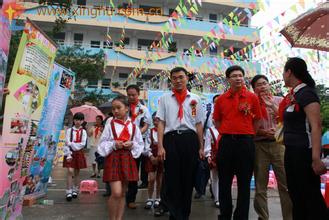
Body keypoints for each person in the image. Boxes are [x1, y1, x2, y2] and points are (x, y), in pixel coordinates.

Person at [279, 57, 328, 220]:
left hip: (304, 153)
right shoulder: (294, 94)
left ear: (289, 72)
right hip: (291, 152)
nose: (283, 75)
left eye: (284, 71)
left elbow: (316, 126)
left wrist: (315, 158)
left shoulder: (307, 93)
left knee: (309, 196)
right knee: (296, 195)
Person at [213, 65, 262, 220]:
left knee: (244, 183)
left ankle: (241, 216)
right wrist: (228, 132)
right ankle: (225, 214)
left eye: (240, 75)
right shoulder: (221, 99)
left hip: (246, 143)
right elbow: (217, 121)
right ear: (228, 79)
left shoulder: (252, 97)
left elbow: (258, 120)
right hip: (227, 143)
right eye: (234, 76)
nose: (238, 78)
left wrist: (247, 134)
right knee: (224, 182)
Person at [157, 66, 205, 220]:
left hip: (190, 140)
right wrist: (160, 146)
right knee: (172, 178)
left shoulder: (195, 99)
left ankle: (184, 214)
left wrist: (201, 147)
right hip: (171, 140)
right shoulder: (165, 98)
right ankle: (174, 213)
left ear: (186, 78)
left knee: (188, 179)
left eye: (181, 77)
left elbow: (198, 124)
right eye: (174, 78)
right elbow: (161, 123)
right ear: (171, 80)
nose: (178, 80)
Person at [251, 75, 292, 220]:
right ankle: (263, 217)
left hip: (278, 145)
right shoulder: (251, 103)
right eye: (258, 85)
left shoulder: (280, 101)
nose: (262, 87)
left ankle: (289, 216)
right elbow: (248, 126)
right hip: (259, 145)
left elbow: (287, 120)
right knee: (260, 186)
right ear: (254, 88)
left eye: (264, 83)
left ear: (269, 85)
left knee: (285, 184)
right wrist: (262, 131)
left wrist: (272, 106)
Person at [97, 96, 144, 220]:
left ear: (127, 108)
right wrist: (113, 144)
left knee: (123, 193)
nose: (115, 111)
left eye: (118, 108)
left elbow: (140, 144)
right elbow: (101, 144)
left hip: (127, 159)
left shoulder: (133, 126)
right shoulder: (110, 124)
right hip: (113, 159)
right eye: (113, 109)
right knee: (116, 192)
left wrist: (132, 144)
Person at [125, 84, 152, 209]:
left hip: (140, 142)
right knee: (130, 171)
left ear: (138, 94)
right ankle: (127, 196)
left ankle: (133, 198)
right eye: (129, 95)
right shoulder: (124, 108)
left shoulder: (144, 109)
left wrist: (136, 134)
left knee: (140, 170)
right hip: (126, 143)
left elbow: (146, 125)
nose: (131, 97)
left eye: (133, 95)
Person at [63, 112, 88, 201]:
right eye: (76, 119)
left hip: (79, 153)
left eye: (80, 120)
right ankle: (68, 191)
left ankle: (75, 189)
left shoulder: (84, 132)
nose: (78, 122)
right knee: (70, 171)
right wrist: (68, 153)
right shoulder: (69, 131)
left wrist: (72, 144)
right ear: (74, 120)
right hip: (69, 152)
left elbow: (83, 144)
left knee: (77, 172)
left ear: (83, 121)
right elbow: (66, 143)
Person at [143, 112, 163, 209]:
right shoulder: (150, 132)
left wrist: (159, 158)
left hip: (161, 158)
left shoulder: (164, 132)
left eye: (158, 120)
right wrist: (151, 157)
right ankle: (150, 198)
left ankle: (158, 198)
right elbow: (146, 147)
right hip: (151, 158)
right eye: (154, 120)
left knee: (159, 179)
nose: (156, 122)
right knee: (151, 179)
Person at [204, 94, 221, 208]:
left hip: (226, 156)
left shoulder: (227, 128)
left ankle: (223, 197)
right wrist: (208, 154)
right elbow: (207, 144)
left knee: (225, 178)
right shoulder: (210, 130)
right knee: (214, 178)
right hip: (215, 157)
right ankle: (217, 198)